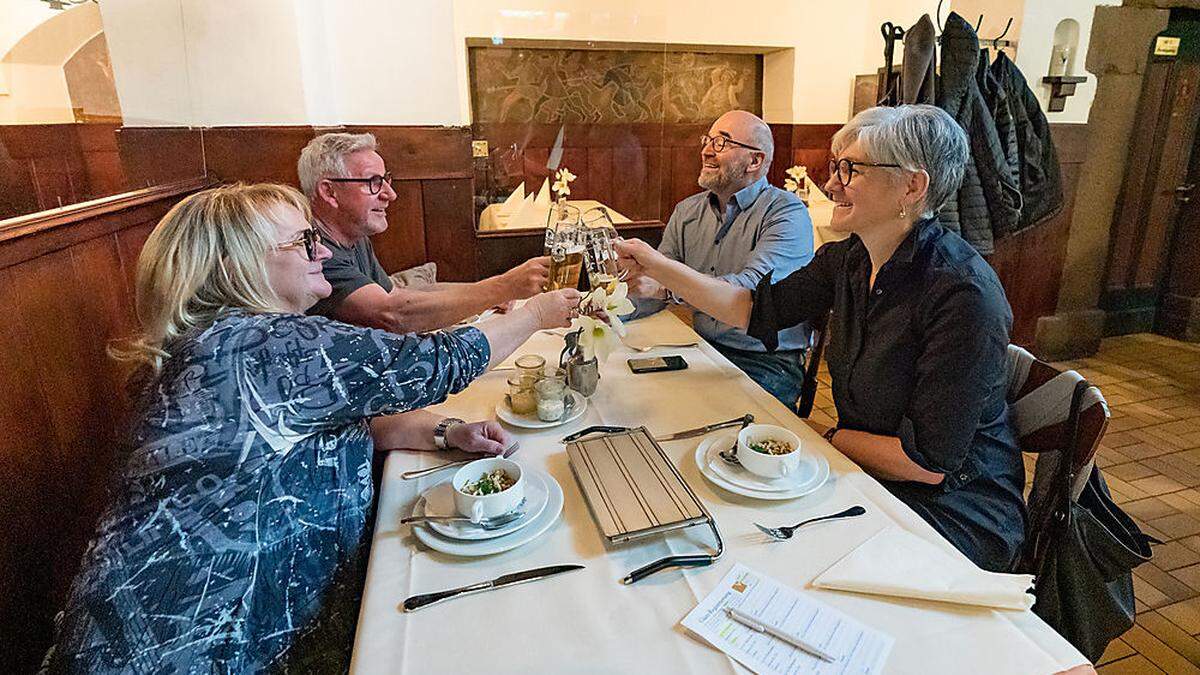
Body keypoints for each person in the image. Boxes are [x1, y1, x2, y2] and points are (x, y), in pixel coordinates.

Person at [46, 183, 580, 672]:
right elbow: (431, 363)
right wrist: (535, 313)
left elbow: (332, 425)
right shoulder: (251, 347)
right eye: (303, 242)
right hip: (174, 652)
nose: (323, 250)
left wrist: (444, 433)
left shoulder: (234, 344)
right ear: (238, 266)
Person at [617, 105, 1025, 572]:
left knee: (774, 554)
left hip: (953, 510)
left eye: (851, 170)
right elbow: (751, 309)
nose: (831, 185)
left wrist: (819, 435)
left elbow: (927, 462)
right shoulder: (848, 260)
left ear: (912, 187)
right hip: (869, 475)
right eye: (836, 168)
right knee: (736, 528)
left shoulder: (962, 294)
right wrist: (654, 263)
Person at [624, 110, 814, 410]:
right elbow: (654, 285)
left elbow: (749, 293)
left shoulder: (785, 213)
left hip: (766, 361)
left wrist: (667, 286)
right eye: (708, 140)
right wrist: (609, 307)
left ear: (755, 161)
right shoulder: (687, 211)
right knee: (635, 397)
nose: (706, 150)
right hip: (702, 347)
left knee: (702, 422)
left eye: (722, 143)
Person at [297, 132, 552, 332]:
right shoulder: (311, 253)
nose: (390, 194)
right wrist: (503, 287)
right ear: (329, 192)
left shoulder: (353, 235)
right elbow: (394, 314)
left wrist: (485, 291)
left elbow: (397, 294)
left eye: (386, 180)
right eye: (373, 182)